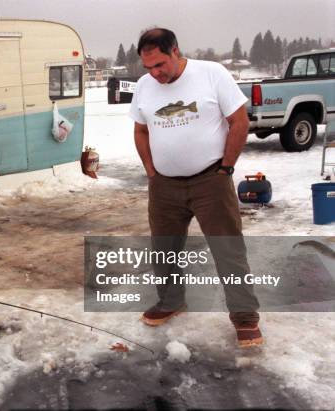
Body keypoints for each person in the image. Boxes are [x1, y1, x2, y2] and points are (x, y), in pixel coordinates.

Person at [128, 28, 262, 347]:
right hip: (164, 186)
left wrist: (226, 168)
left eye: (160, 64)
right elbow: (140, 130)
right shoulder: (145, 86)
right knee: (164, 251)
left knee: (228, 250)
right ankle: (171, 301)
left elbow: (239, 121)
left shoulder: (211, 73)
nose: (155, 74)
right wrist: (151, 171)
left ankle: (245, 318)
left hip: (210, 181)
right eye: (148, 68)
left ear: (175, 50)